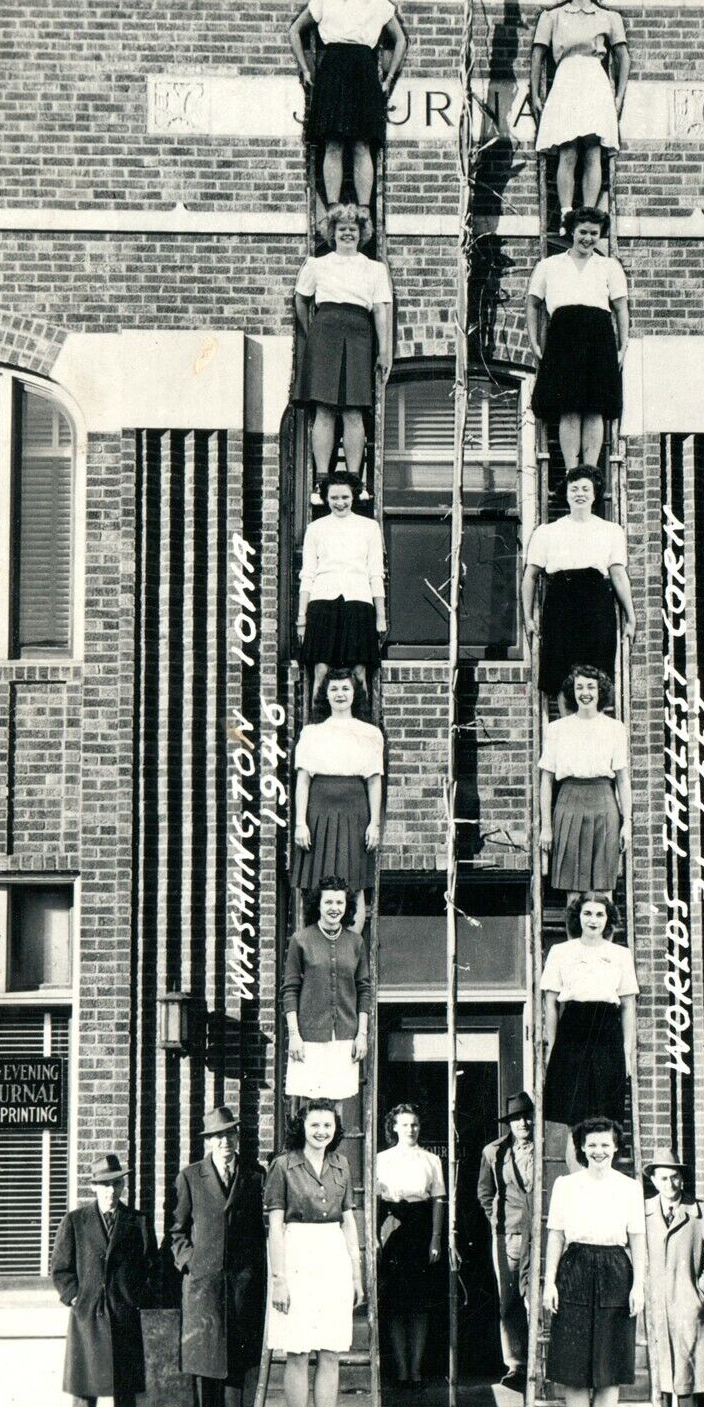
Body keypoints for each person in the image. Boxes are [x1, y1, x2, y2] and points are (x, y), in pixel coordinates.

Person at [542, 1117, 645, 1407]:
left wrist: (639, 1285)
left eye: (605, 1144)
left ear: (616, 1147)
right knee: (574, 1368)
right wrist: (549, 1282)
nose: (599, 1151)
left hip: (616, 1271)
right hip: (575, 1269)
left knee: (608, 1367)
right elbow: (555, 1235)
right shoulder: (566, 1185)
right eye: (592, 1144)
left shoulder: (630, 1187)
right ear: (581, 1148)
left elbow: (638, 1240)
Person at [265, 1102, 364, 1407]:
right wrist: (279, 1279)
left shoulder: (341, 1164)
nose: (322, 1131)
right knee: (298, 1351)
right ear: (301, 1127)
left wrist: (356, 1273)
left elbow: (348, 1220)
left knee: (330, 1351)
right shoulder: (283, 1165)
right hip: (297, 1256)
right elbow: (275, 1225)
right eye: (315, 1124)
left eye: (328, 1125)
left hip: (332, 1256)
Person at [170, 1106, 267, 1407]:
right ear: (208, 1142)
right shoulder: (190, 1177)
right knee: (204, 1366)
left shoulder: (255, 1175)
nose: (224, 1142)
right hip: (204, 1287)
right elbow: (177, 1231)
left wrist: (258, 1273)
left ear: (238, 1137)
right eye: (216, 1136)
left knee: (239, 1364)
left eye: (229, 1135)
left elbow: (262, 1232)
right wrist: (190, 1262)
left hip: (243, 1286)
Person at [51, 1152, 157, 1407]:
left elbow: (151, 1265)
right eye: (104, 1185)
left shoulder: (137, 1221)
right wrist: (75, 1298)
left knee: (124, 1382)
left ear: (123, 1185)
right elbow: (61, 1269)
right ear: (94, 1187)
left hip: (123, 1314)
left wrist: (134, 1297)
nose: (111, 1191)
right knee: (84, 1386)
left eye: (116, 1183)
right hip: (88, 1317)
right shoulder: (75, 1221)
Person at [289, 0, 407, 206]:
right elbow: (295, 30)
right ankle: (332, 208)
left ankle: (364, 209)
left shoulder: (377, 0)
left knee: (362, 144)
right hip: (333, 69)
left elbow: (400, 39)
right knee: (333, 144)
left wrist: (388, 78)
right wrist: (305, 69)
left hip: (364, 69)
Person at [293, 204, 393, 498]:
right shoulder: (317, 264)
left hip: (359, 333)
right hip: (325, 330)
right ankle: (321, 479)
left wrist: (384, 351)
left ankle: (354, 480)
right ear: (332, 234)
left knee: (353, 410)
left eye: (354, 228)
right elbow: (301, 300)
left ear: (362, 234)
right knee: (323, 409)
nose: (348, 233)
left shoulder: (374, 268)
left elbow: (381, 311)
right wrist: (313, 333)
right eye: (342, 229)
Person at [530, 0, 629, 223]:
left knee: (592, 148)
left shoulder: (609, 18)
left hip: (594, 81)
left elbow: (623, 57)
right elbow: (538, 55)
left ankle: (587, 214)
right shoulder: (552, 17)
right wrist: (535, 94)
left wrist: (619, 97)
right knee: (568, 149)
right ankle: (565, 214)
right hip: (566, 81)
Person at [522, 465, 636, 700]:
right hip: (561, 603)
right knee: (563, 677)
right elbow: (530, 576)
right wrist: (527, 617)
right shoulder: (547, 532)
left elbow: (618, 575)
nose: (579, 494)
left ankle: (594, 733)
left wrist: (631, 617)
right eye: (574, 489)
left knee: (597, 675)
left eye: (585, 489)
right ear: (566, 494)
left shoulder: (611, 530)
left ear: (595, 494)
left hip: (596, 603)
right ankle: (567, 731)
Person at [525, 211, 629, 470]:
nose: (588, 238)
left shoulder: (609, 266)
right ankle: (573, 470)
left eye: (594, 233)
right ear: (572, 231)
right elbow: (532, 303)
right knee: (569, 407)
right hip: (564, 336)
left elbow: (621, 308)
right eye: (583, 232)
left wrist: (622, 346)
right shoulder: (549, 265)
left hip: (599, 337)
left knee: (595, 408)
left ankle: (590, 471)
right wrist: (534, 342)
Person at [643, 1146, 704, 1407]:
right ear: (654, 1180)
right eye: (663, 1178)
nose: (670, 1184)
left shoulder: (702, 1212)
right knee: (659, 1375)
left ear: (682, 1178)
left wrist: (700, 1295)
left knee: (691, 1373)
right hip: (655, 1307)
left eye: (675, 1177)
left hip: (688, 1305)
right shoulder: (643, 1212)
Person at [541, 894, 638, 1160]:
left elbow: (628, 1006)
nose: (593, 920)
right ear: (577, 917)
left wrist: (627, 1054)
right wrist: (553, 1047)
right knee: (574, 1118)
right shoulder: (561, 952)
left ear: (608, 920)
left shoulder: (620, 954)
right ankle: (578, 1184)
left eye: (599, 914)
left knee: (605, 1115)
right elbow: (551, 1004)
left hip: (607, 1032)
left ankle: (601, 1179)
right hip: (573, 1031)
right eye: (587, 913)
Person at [292, 667, 384, 931]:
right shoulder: (311, 733)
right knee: (314, 885)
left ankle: (350, 957)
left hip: (354, 813)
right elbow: (303, 780)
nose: (340, 694)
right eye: (334, 689)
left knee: (353, 885)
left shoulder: (369, 733)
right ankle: (316, 955)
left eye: (345, 688)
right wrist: (300, 822)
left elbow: (374, 780)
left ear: (355, 694)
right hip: (318, 813)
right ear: (326, 694)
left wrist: (374, 823)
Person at [538, 666, 631, 898]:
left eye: (591, 686)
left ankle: (603, 935)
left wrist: (627, 822)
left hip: (604, 804)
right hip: (569, 803)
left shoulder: (615, 728)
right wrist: (546, 827)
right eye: (579, 687)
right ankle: (574, 934)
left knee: (604, 889)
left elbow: (622, 780)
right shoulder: (556, 729)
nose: (585, 692)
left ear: (600, 691)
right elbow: (546, 781)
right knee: (573, 891)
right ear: (573, 691)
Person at [297, 471, 386, 698]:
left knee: (358, 672)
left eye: (344, 497)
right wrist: (302, 617)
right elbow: (307, 574)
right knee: (321, 670)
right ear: (326, 499)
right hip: (322, 604)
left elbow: (376, 573)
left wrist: (381, 618)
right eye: (334, 498)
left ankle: (361, 728)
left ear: (354, 497)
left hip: (358, 602)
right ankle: (317, 728)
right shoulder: (315, 528)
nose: (340, 503)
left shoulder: (369, 527)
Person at [377, 1103, 446, 1386]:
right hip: (391, 1226)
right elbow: (374, 1201)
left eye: (414, 1124)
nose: (410, 1129)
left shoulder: (431, 1160)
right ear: (394, 1128)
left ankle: (416, 1370)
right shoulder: (381, 1159)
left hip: (420, 1229)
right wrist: (375, 1239)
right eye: (404, 1124)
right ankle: (401, 1369)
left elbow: (438, 1200)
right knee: (394, 1305)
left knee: (418, 1305)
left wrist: (436, 1239)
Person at [282, 880, 370, 1103]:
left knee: (336, 1107)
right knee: (310, 1107)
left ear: (346, 906)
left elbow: (364, 991)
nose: (334, 908)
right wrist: (294, 1036)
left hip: (345, 1037)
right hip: (308, 1037)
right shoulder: (300, 940)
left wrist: (361, 1035)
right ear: (318, 905)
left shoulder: (355, 942)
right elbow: (290, 990)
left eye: (339, 902)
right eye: (328, 901)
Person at [476, 1091, 534, 1391]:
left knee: (536, 1299)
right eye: (516, 1118)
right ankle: (517, 1365)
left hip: (542, 1233)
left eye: (526, 1116)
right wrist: (498, 1221)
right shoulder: (494, 1152)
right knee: (509, 1301)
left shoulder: (544, 1148)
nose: (522, 1122)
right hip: (509, 1235)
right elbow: (485, 1193)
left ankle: (541, 1364)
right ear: (509, 1122)